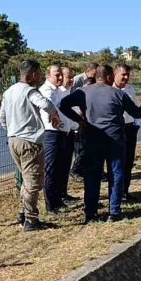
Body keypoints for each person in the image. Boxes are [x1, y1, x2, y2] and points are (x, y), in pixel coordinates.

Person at [59, 64, 141, 223]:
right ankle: (114, 212)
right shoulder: (118, 94)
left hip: (92, 139)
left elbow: (62, 105)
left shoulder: (83, 92)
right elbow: (135, 113)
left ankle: (91, 213)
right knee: (116, 174)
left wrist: (80, 120)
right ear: (109, 77)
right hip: (115, 140)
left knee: (92, 176)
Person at [0, 60, 61, 231]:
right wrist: (54, 115)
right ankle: (31, 220)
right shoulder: (30, 91)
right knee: (33, 182)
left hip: (13, 140)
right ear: (32, 74)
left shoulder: (9, 92)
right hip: (29, 142)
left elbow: (1, 117)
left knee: (27, 180)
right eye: (39, 73)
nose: (40, 77)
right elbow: (45, 104)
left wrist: (13, 130)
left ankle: (23, 212)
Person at [39, 66, 77, 213]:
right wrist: (54, 115)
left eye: (61, 75)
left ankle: (57, 199)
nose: (60, 78)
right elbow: (49, 106)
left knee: (60, 168)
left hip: (62, 133)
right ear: (48, 76)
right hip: (51, 134)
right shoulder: (47, 91)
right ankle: (51, 205)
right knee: (51, 169)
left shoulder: (57, 90)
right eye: (57, 75)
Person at [112, 63, 141, 200]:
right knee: (117, 163)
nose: (125, 77)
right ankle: (115, 194)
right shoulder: (109, 90)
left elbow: (136, 108)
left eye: (127, 75)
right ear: (115, 74)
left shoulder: (130, 89)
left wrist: (136, 125)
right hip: (116, 130)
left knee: (128, 161)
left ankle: (125, 191)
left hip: (130, 128)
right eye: (123, 74)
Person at [69, 63, 98, 178]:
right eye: (94, 74)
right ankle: (76, 169)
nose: (96, 76)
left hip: (88, 115)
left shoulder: (95, 81)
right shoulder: (77, 80)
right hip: (78, 114)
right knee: (80, 147)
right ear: (89, 71)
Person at [59, 67, 78, 202]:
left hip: (70, 132)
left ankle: (63, 193)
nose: (71, 80)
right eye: (68, 77)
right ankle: (58, 196)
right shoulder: (57, 93)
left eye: (72, 77)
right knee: (58, 167)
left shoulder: (69, 92)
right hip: (59, 134)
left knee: (66, 166)